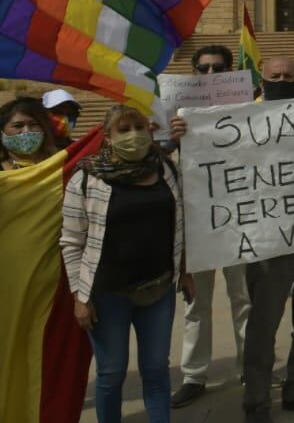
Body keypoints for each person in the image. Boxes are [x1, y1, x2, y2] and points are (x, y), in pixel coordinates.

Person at [176, 56, 294, 421]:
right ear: (261, 82)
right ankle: (257, 399)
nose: (282, 80)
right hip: (268, 239)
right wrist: (186, 137)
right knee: (263, 322)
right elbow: (209, 161)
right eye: (274, 76)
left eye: (288, 76)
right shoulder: (240, 120)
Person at [62, 105, 191, 423]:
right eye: (124, 129)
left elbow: (181, 225)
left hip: (158, 288)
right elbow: (71, 242)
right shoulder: (86, 178)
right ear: (107, 138)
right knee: (111, 373)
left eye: (139, 127)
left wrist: (185, 271)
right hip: (107, 295)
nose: (134, 134)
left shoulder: (166, 170)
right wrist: (80, 296)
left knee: (157, 369)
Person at [171, 44, 253, 409]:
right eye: (202, 69)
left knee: (245, 299)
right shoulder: (174, 116)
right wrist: (170, 140)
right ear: (193, 72)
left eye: (217, 69)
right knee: (195, 304)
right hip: (196, 225)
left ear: (230, 72)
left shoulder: (248, 112)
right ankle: (194, 374)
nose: (210, 75)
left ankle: (251, 367)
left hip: (239, 219)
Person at [1, 96, 61, 170]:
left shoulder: (60, 166)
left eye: (34, 124)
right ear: (2, 132)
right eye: (18, 126)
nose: (27, 131)